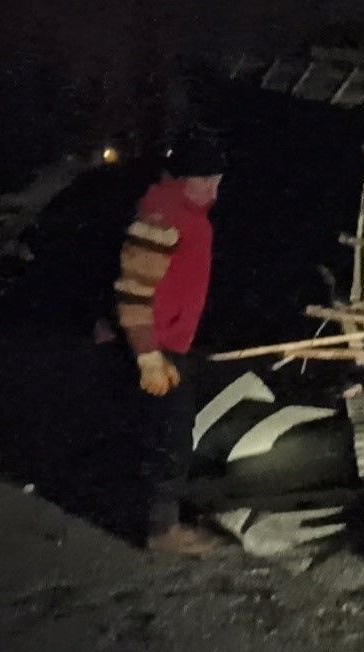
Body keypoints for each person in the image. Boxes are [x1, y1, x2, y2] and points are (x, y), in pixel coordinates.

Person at [113, 132, 226, 554]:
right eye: (206, 181)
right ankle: (162, 531)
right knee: (169, 437)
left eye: (218, 182)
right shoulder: (161, 218)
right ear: (184, 180)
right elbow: (133, 291)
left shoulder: (191, 218)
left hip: (172, 344)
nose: (214, 191)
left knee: (168, 431)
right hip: (155, 347)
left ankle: (154, 516)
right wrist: (148, 357)